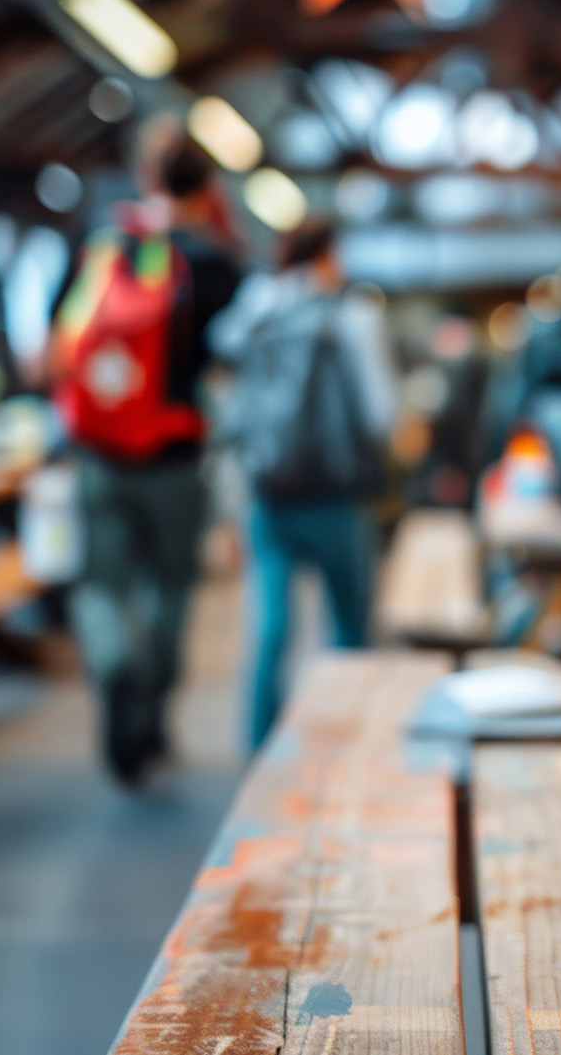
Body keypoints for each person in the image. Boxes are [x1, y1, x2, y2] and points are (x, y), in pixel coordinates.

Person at [54, 139, 242, 785]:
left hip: (99, 453)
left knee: (100, 584)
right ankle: (153, 706)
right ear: (207, 184)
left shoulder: (103, 244)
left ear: (147, 177)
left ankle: (113, 667)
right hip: (176, 452)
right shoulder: (215, 261)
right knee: (170, 586)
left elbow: (57, 341)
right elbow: (232, 363)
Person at [209, 220, 395, 750]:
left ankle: (258, 749)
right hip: (337, 492)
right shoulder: (352, 317)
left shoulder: (256, 308)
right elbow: (380, 414)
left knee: (269, 627)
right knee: (349, 628)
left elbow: (222, 361)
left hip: (267, 489)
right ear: (327, 256)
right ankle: (348, 744)